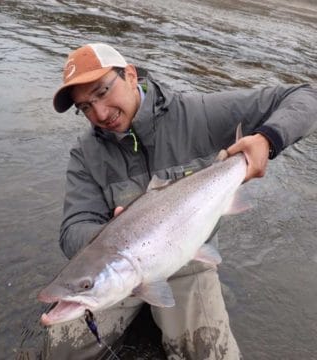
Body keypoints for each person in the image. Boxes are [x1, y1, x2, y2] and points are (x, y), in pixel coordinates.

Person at [42, 43, 317, 360]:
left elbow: (306, 97)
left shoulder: (198, 114)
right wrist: (109, 233)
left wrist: (268, 139)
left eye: (102, 92)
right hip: (119, 269)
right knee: (60, 351)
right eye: (86, 107)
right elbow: (72, 230)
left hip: (189, 260)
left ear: (130, 75)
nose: (100, 114)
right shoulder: (85, 154)